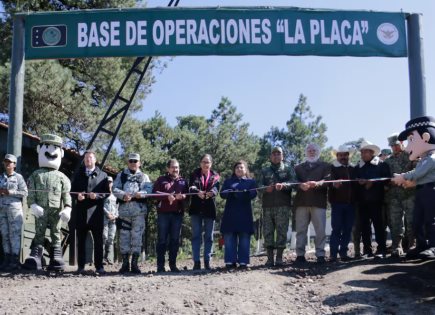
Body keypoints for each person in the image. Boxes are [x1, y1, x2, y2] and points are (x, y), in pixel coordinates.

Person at [24, 134, 72, 272]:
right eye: (46, 147)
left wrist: (68, 208)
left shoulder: (63, 177)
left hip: (56, 210)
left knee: (56, 232)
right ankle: (36, 257)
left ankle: (56, 257)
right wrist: (33, 205)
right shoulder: (35, 175)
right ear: (39, 149)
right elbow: (31, 192)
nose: (51, 151)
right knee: (39, 232)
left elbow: (66, 195)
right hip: (40, 209)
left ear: (61, 152)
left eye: (55, 148)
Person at [392, 116, 435, 260]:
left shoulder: (432, 158)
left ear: (426, 137)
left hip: (431, 191)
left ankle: (433, 246)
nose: (408, 147)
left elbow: (418, 173)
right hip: (422, 191)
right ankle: (422, 245)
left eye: (411, 140)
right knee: (417, 220)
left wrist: (402, 176)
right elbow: (419, 176)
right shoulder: (424, 160)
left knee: (431, 220)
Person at [71, 150, 109, 274]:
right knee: (80, 241)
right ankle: (81, 267)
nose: (88, 160)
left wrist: (97, 196)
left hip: (96, 214)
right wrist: (78, 196)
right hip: (81, 213)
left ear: (95, 160)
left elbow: (107, 193)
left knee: (98, 241)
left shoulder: (102, 175)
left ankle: (99, 266)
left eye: (90, 158)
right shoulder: (78, 174)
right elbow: (72, 191)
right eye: (86, 158)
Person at [113, 153, 152, 274]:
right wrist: (122, 195)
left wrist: (142, 193)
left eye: (135, 161)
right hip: (124, 212)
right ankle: (125, 263)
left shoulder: (144, 177)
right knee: (124, 237)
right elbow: (114, 189)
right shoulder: (121, 175)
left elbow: (150, 189)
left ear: (139, 163)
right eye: (131, 161)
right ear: (127, 162)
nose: (133, 163)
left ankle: (134, 263)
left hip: (139, 212)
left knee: (137, 237)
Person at [294, 143, 331, 263]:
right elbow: (292, 181)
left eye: (314, 150)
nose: (311, 152)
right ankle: (300, 254)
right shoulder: (298, 167)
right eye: (309, 150)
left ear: (318, 152)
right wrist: (300, 185)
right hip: (301, 202)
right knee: (301, 230)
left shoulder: (325, 166)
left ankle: (320, 254)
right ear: (306, 152)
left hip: (318, 202)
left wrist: (318, 183)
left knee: (320, 230)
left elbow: (328, 179)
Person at [259, 146, 295, 267]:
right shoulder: (264, 170)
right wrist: (265, 188)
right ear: (270, 156)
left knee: (282, 231)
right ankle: (269, 259)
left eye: (278, 153)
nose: (276, 155)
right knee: (268, 232)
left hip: (283, 205)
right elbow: (258, 185)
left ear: (282, 156)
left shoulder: (288, 169)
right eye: (273, 153)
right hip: (267, 206)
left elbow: (294, 182)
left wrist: (284, 185)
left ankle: (279, 257)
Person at [354, 140, 390, 259]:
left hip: (377, 201)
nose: (363, 154)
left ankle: (381, 250)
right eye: (362, 152)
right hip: (362, 202)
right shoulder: (358, 167)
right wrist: (360, 183)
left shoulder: (382, 164)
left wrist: (372, 182)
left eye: (365, 152)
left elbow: (387, 181)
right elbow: (354, 182)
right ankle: (367, 251)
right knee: (365, 227)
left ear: (372, 152)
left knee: (379, 225)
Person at [153, 159, 188, 273]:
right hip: (163, 213)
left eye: (177, 167)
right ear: (168, 169)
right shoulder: (161, 180)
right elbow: (154, 194)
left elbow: (187, 196)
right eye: (173, 167)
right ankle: (160, 266)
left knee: (175, 240)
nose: (175, 169)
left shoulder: (183, 181)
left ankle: (173, 265)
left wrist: (182, 197)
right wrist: (166, 197)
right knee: (162, 240)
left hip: (177, 214)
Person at [220, 160, 257, 269]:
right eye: (237, 168)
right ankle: (230, 261)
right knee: (229, 237)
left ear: (246, 170)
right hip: (230, 214)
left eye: (241, 167)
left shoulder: (251, 182)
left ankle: (243, 262)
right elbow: (222, 194)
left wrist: (246, 192)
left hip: (245, 214)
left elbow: (254, 193)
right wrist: (230, 191)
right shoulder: (228, 181)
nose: (239, 169)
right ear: (234, 170)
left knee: (244, 237)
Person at [384, 133, 415, 257]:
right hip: (394, 196)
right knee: (395, 222)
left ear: (402, 143)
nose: (394, 148)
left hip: (409, 194)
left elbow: (416, 172)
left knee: (411, 220)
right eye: (392, 146)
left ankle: (412, 244)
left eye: (396, 145)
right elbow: (385, 178)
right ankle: (397, 246)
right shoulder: (387, 161)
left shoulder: (411, 156)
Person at [188, 154, 220, 270]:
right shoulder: (194, 174)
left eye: (208, 162)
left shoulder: (216, 176)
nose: (206, 164)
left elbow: (217, 188)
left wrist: (212, 193)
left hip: (210, 209)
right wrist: (197, 192)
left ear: (211, 164)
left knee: (209, 237)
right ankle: (196, 262)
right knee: (196, 236)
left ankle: (207, 261)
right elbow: (190, 187)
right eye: (203, 162)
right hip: (196, 208)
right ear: (200, 163)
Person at [328, 145, 356, 262]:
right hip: (337, 204)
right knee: (336, 229)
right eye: (340, 155)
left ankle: (343, 253)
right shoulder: (332, 168)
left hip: (351, 204)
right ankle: (333, 254)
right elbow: (329, 182)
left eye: (345, 154)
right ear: (337, 156)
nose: (343, 157)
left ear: (348, 156)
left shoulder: (353, 168)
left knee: (348, 229)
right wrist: (335, 184)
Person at [0, 154, 27, 271]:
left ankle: (15, 261)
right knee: (5, 234)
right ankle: (7, 259)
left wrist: (10, 192)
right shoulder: (1, 177)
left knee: (14, 234)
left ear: (14, 165)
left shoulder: (18, 178)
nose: (7, 164)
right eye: (6, 162)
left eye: (9, 162)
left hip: (14, 209)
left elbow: (25, 192)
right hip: (2, 209)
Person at [103, 176, 118, 265]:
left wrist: (115, 216)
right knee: (104, 237)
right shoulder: (103, 193)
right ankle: (102, 258)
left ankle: (109, 258)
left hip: (113, 220)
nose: (109, 183)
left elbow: (118, 207)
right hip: (104, 218)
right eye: (108, 182)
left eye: (110, 182)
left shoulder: (115, 194)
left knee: (111, 238)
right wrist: (107, 214)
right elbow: (101, 206)